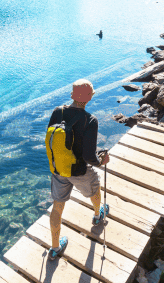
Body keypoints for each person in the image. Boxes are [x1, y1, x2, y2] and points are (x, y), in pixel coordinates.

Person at [47, 79, 110, 260]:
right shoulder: (90, 120)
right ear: (89, 98)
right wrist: (101, 161)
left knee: (57, 207)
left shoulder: (57, 112)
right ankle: (98, 215)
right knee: (94, 188)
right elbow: (89, 156)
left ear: (72, 95)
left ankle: (55, 247)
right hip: (79, 171)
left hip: (58, 169)